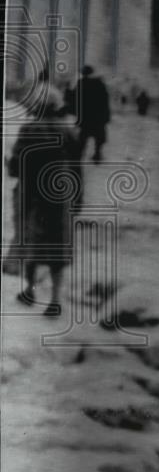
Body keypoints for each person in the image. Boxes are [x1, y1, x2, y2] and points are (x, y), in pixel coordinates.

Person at [8, 91, 82, 317]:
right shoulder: (69, 131)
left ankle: (29, 291)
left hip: (31, 195)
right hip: (60, 196)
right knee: (58, 247)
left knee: (31, 242)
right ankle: (55, 300)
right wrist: (78, 198)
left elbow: (15, 167)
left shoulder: (29, 129)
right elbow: (77, 168)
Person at [75, 65, 111, 162]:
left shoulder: (80, 83)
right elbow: (105, 101)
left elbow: (76, 100)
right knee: (99, 137)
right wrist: (106, 116)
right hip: (98, 117)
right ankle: (97, 154)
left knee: (83, 136)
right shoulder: (99, 83)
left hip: (85, 116)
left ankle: (79, 155)